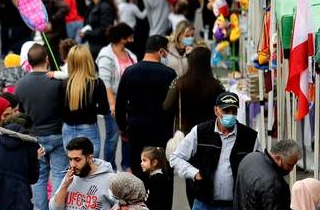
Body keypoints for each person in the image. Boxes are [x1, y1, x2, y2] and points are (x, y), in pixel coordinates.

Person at [15, 43, 68, 210]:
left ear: (28, 62)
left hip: (34, 137)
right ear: (47, 59)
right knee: (60, 175)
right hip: (56, 134)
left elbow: (20, 113)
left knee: (39, 178)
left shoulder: (21, 84)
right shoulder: (57, 82)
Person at [114, 34, 176, 189]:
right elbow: (173, 106)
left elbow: (120, 104)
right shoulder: (169, 74)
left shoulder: (129, 72)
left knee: (139, 168)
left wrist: (123, 127)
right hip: (161, 130)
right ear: (161, 51)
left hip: (136, 129)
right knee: (162, 170)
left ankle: (140, 207)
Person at [94, 22, 136, 168]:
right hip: (113, 103)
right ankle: (108, 167)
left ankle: (126, 166)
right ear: (122, 38)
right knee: (112, 138)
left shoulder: (130, 54)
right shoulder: (106, 56)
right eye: (130, 35)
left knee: (127, 137)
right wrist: (113, 104)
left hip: (129, 103)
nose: (132, 37)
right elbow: (105, 83)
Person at [59, 44, 109, 159]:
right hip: (88, 128)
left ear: (70, 61)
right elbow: (104, 109)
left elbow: (60, 110)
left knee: (74, 168)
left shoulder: (64, 84)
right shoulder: (96, 83)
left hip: (68, 128)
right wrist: (89, 109)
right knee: (91, 168)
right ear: (88, 60)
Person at [164, 45, 224, 139]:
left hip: (184, 133)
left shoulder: (178, 83)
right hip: (209, 133)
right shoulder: (216, 85)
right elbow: (223, 108)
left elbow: (167, 106)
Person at [140, 146, 173, 210]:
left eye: (144, 160)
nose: (141, 163)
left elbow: (153, 200)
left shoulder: (158, 179)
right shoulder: (154, 177)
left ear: (154, 162)